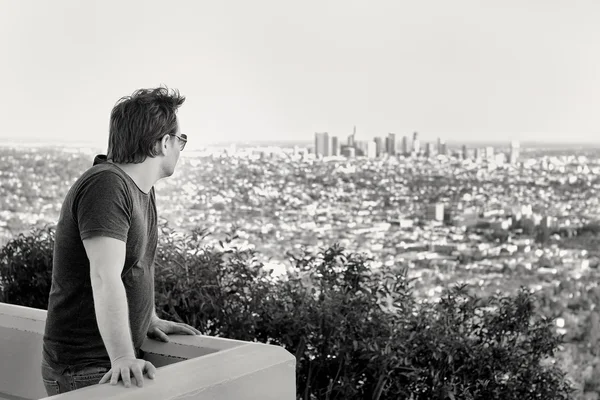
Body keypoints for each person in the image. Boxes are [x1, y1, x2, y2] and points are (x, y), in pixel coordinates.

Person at [41, 87, 201, 395]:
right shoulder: (107, 185)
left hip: (104, 362)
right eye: (180, 139)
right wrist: (124, 357)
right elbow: (104, 276)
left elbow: (136, 266)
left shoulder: (140, 187)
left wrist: (147, 318)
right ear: (164, 142)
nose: (181, 148)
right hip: (86, 367)